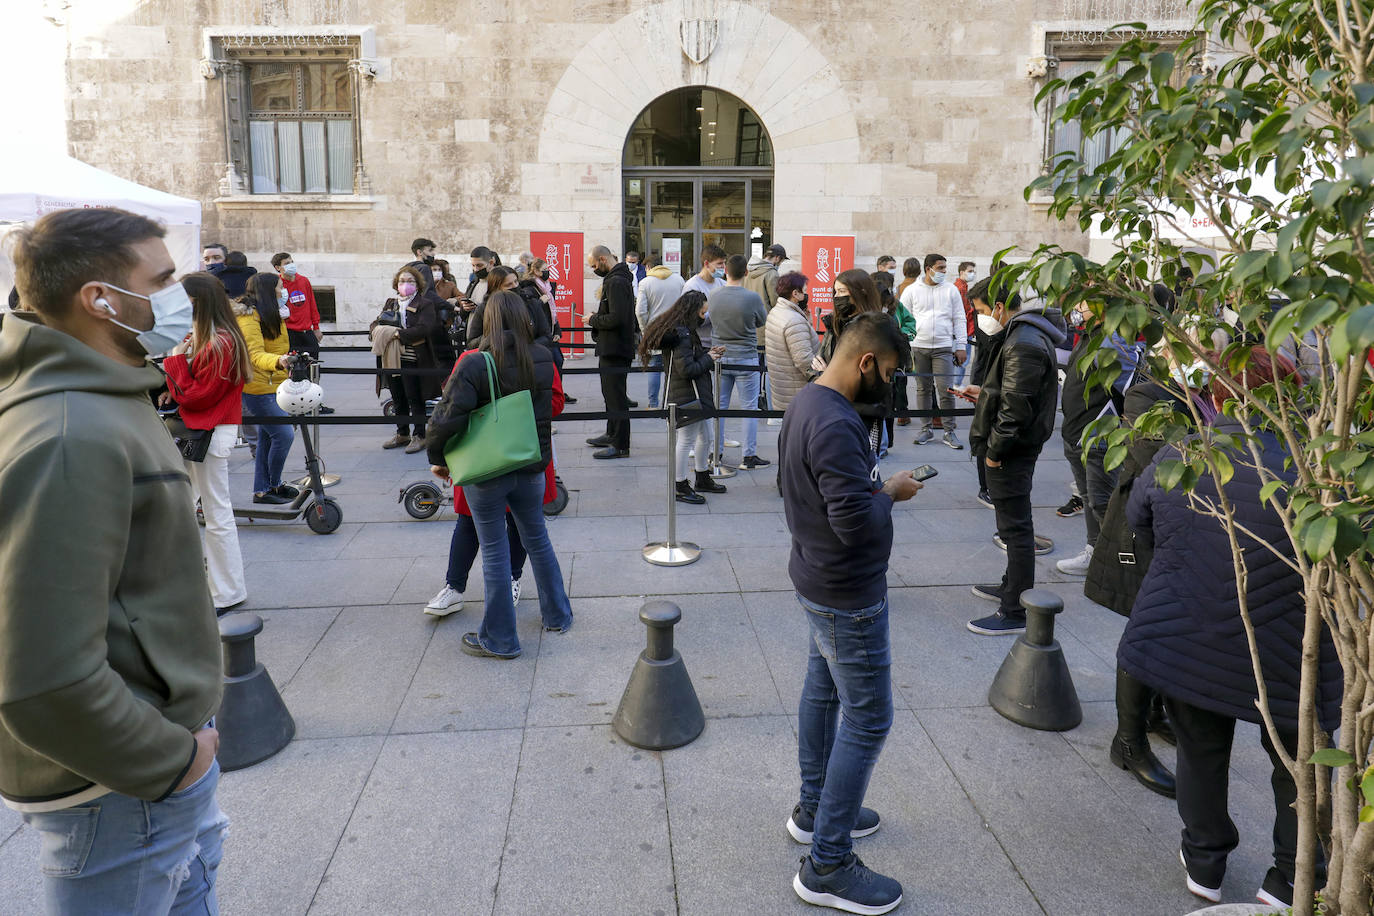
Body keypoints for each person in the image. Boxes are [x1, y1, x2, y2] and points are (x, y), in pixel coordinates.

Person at [0, 207, 227, 911]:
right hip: (122, 790)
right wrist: (172, 764)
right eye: (160, 280)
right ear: (101, 299)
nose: (177, 295)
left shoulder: (100, 397)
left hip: (145, 770)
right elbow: (40, 676)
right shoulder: (71, 432)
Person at [1117, 349, 1337, 909]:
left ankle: (1205, 861)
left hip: (1188, 631)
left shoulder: (1184, 453)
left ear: (1218, 396)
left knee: (1201, 748)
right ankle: (1293, 878)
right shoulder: (1316, 468)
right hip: (1289, 647)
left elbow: (1136, 517)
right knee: (1298, 762)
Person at [779, 311, 923, 916]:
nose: (888, 384)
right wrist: (889, 492)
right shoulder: (836, 424)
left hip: (817, 579)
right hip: (847, 593)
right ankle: (828, 864)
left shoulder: (806, 405)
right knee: (868, 720)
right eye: (888, 372)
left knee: (823, 694)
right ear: (866, 361)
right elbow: (855, 523)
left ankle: (816, 810)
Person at [426, 292, 574, 659]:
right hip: (531, 463)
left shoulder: (475, 362)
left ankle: (501, 639)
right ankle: (557, 614)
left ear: (487, 321)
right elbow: (551, 405)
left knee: (494, 550)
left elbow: (446, 417)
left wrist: (437, 457)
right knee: (537, 539)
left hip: (488, 470)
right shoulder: (542, 356)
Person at [964, 283, 1067, 634]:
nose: (979, 318)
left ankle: (1015, 610)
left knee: (1016, 529)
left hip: (1012, 449)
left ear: (996, 306)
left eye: (979, 309)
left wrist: (994, 453)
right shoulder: (1021, 334)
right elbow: (1011, 393)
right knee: (1012, 525)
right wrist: (984, 394)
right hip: (1015, 445)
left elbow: (1015, 410)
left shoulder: (1023, 342)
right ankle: (1012, 587)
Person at [163, 273, 252, 613]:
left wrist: (174, 362)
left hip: (209, 431)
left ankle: (226, 590)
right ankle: (215, 585)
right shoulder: (216, 338)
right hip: (206, 430)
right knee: (199, 509)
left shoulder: (219, 342)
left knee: (215, 513)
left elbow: (196, 395)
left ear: (197, 301)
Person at [1055, 299, 1140, 576]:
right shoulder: (1090, 337)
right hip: (1077, 432)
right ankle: (1095, 552)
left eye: (1083, 305)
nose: (1076, 311)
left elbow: (1132, 387)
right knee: (1091, 499)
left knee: (1103, 503)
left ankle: (1119, 566)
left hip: (1098, 436)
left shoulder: (1112, 342)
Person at [638, 290, 727, 504]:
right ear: (692, 311)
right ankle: (679, 485)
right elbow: (686, 369)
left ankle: (702, 477)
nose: (704, 316)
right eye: (702, 312)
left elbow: (689, 359)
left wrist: (707, 353)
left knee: (706, 437)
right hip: (687, 395)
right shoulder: (683, 334)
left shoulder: (685, 331)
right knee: (686, 440)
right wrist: (709, 358)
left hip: (691, 394)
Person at [237, 271, 299, 503]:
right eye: (279, 288)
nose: (283, 292)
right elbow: (254, 353)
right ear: (268, 291)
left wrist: (287, 358)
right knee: (284, 435)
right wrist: (277, 361)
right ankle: (273, 484)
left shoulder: (271, 313)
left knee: (267, 438)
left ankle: (264, 490)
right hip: (258, 387)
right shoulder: (249, 317)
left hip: (275, 383)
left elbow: (275, 346)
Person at [709, 254, 770, 469]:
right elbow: (762, 321)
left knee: (719, 407)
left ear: (725, 271)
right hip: (746, 356)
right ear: (746, 272)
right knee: (749, 408)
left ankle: (715, 452)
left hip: (720, 357)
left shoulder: (713, 295)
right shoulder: (752, 298)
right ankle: (748, 456)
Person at [901, 253, 967, 449]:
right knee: (923, 389)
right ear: (928, 269)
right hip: (918, 348)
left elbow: (959, 318)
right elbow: (903, 319)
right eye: (940, 268)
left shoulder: (951, 290)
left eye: (945, 268)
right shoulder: (911, 291)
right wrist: (908, 343)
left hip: (943, 348)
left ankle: (949, 431)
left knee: (946, 390)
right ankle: (926, 429)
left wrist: (961, 346)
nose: (944, 272)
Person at [373, 265, 442, 453]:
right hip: (390, 357)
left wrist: (396, 334)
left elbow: (425, 328)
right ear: (396, 284)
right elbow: (375, 325)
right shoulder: (391, 303)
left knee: (414, 397)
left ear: (418, 285)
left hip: (413, 357)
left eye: (410, 281)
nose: (405, 284)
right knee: (397, 397)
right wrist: (381, 332)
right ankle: (402, 433)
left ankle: (420, 435)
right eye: (402, 281)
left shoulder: (424, 303)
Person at [584, 245, 636, 459]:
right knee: (611, 395)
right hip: (614, 346)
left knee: (616, 397)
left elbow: (617, 318)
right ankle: (612, 433)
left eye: (594, 265)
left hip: (615, 348)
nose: (594, 269)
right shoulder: (618, 278)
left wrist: (592, 319)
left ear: (603, 259)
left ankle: (620, 444)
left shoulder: (615, 281)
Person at [764, 270, 819, 415]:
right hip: (797, 391)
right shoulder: (793, 320)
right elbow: (804, 360)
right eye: (804, 291)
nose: (806, 295)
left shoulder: (776, 312)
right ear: (795, 294)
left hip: (783, 388)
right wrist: (822, 378)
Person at [636, 254, 686, 409]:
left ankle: (653, 404)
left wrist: (646, 330)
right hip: (675, 331)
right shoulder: (679, 280)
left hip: (655, 332)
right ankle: (670, 403)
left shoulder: (645, 282)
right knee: (672, 369)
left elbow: (640, 311)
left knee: (654, 367)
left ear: (648, 267)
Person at [683, 243, 727, 348]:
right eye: (719, 264)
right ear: (706, 264)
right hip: (701, 345)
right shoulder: (692, 286)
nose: (723, 268)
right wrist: (718, 312)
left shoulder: (723, 284)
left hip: (720, 344)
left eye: (724, 263)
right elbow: (692, 319)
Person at [744, 242, 785, 326]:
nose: (779, 264)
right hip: (765, 320)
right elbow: (775, 301)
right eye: (781, 261)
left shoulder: (750, 270)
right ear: (777, 258)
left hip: (748, 318)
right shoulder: (772, 273)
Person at [952, 260, 977, 380]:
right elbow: (963, 311)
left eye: (973, 271)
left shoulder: (962, 287)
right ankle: (957, 383)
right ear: (962, 272)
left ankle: (956, 383)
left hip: (965, 328)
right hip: (965, 328)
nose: (972, 274)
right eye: (970, 271)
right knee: (962, 358)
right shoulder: (960, 288)